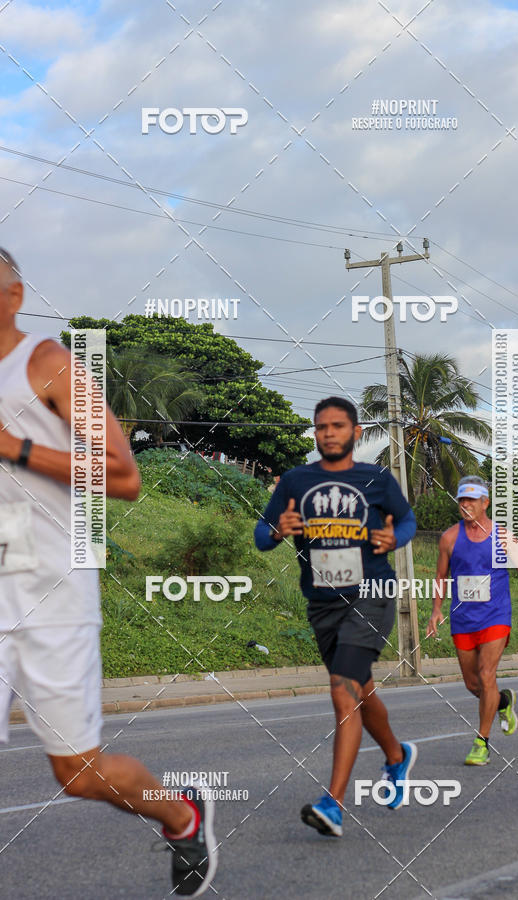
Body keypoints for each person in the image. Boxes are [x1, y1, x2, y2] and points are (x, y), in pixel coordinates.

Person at [0, 250, 216, 897]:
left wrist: (17, 448)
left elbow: (124, 476)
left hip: (51, 597)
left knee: (78, 773)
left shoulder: (47, 365)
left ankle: (180, 815)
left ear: (14, 294)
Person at [254, 396, 417, 836]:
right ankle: (397, 756)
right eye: (321, 426)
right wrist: (276, 530)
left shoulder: (377, 479)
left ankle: (334, 804)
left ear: (355, 432)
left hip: (372, 593)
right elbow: (262, 536)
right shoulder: (295, 480)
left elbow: (408, 522)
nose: (329, 432)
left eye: (338, 426)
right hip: (323, 602)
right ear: (315, 433)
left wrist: (393, 538)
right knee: (360, 690)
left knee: (343, 692)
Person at [427, 475, 518, 766]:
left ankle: (482, 742)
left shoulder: (502, 537)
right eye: (461, 500)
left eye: (471, 500)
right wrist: (436, 609)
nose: (465, 505)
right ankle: (503, 702)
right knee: (472, 684)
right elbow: (441, 577)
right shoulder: (450, 538)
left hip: (496, 616)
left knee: (486, 674)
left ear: (485, 503)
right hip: (463, 618)